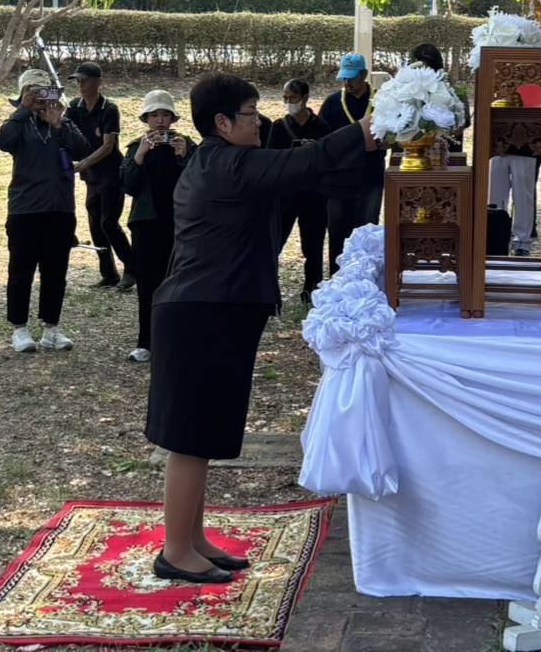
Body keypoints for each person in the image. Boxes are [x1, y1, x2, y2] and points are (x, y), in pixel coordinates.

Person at [145, 73, 375, 584]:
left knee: (207, 432)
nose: (260, 121)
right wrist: (363, 129)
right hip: (199, 312)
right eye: (251, 113)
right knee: (189, 436)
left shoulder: (223, 160)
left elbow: (301, 172)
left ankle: (193, 538)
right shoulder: (226, 163)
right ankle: (175, 550)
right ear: (222, 123)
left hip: (216, 308)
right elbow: (304, 161)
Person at [0, 70, 88, 353]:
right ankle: (19, 329)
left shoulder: (63, 122)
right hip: (25, 209)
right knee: (21, 270)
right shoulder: (19, 125)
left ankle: (51, 328)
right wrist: (23, 111)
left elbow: (82, 149)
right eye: (32, 92)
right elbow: (3, 141)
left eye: (44, 92)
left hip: (60, 208)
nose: (39, 98)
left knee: (55, 271)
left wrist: (59, 124)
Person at [121, 89, 196, 363]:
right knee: (148, 283)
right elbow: (128, 186)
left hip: (181, 224)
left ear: (173, 118)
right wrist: (140, 154)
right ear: (146, 119)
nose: (160, 121)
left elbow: (200, 182)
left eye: (165, 114)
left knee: (180, 281)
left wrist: (185, 157)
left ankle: (178, 339)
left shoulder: (187, 144)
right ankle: (146, 342)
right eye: (154, 115)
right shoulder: (134, 147)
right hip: (147, 224)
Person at [65, 62, 135, 290]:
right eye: (78, 81)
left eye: (84, 80)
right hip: (91, 176)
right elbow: (63, 130)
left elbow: (108, 146)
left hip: (112, 174)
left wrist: (82, 163)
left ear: (98, 82)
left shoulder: (109, 109)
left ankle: (132, 268)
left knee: (109, 222)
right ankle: (109, 273)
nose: (80, 85)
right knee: (95, 224)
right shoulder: (75, 106)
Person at [318, 52, 386, 273]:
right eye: (344, 78)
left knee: (366, 230)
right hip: (338, 180)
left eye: (352, 78)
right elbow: (322, 140)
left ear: (364, 75)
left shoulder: (381, 102)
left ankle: (366, 277)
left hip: (370, 177)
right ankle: (337, 278)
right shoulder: (332, 104)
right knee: (337, 231)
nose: (347, 83)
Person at [266, 78, 331, 305]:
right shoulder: (278, 127)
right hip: (285, 196)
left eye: (292, 98)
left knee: (313, 246)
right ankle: (268, 290)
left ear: (304, 98)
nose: (288, 102)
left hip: (314, 197)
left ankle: (312, 290)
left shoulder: (321, 127)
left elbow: (327, 161)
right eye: (285, 98)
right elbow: (270, 161)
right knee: (275, 243)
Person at [408, 42, 471, 153]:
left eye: (426, 68)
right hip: (409, 157)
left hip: (445, 158)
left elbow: (460, 127)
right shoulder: (403, 92)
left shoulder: (454, 92)